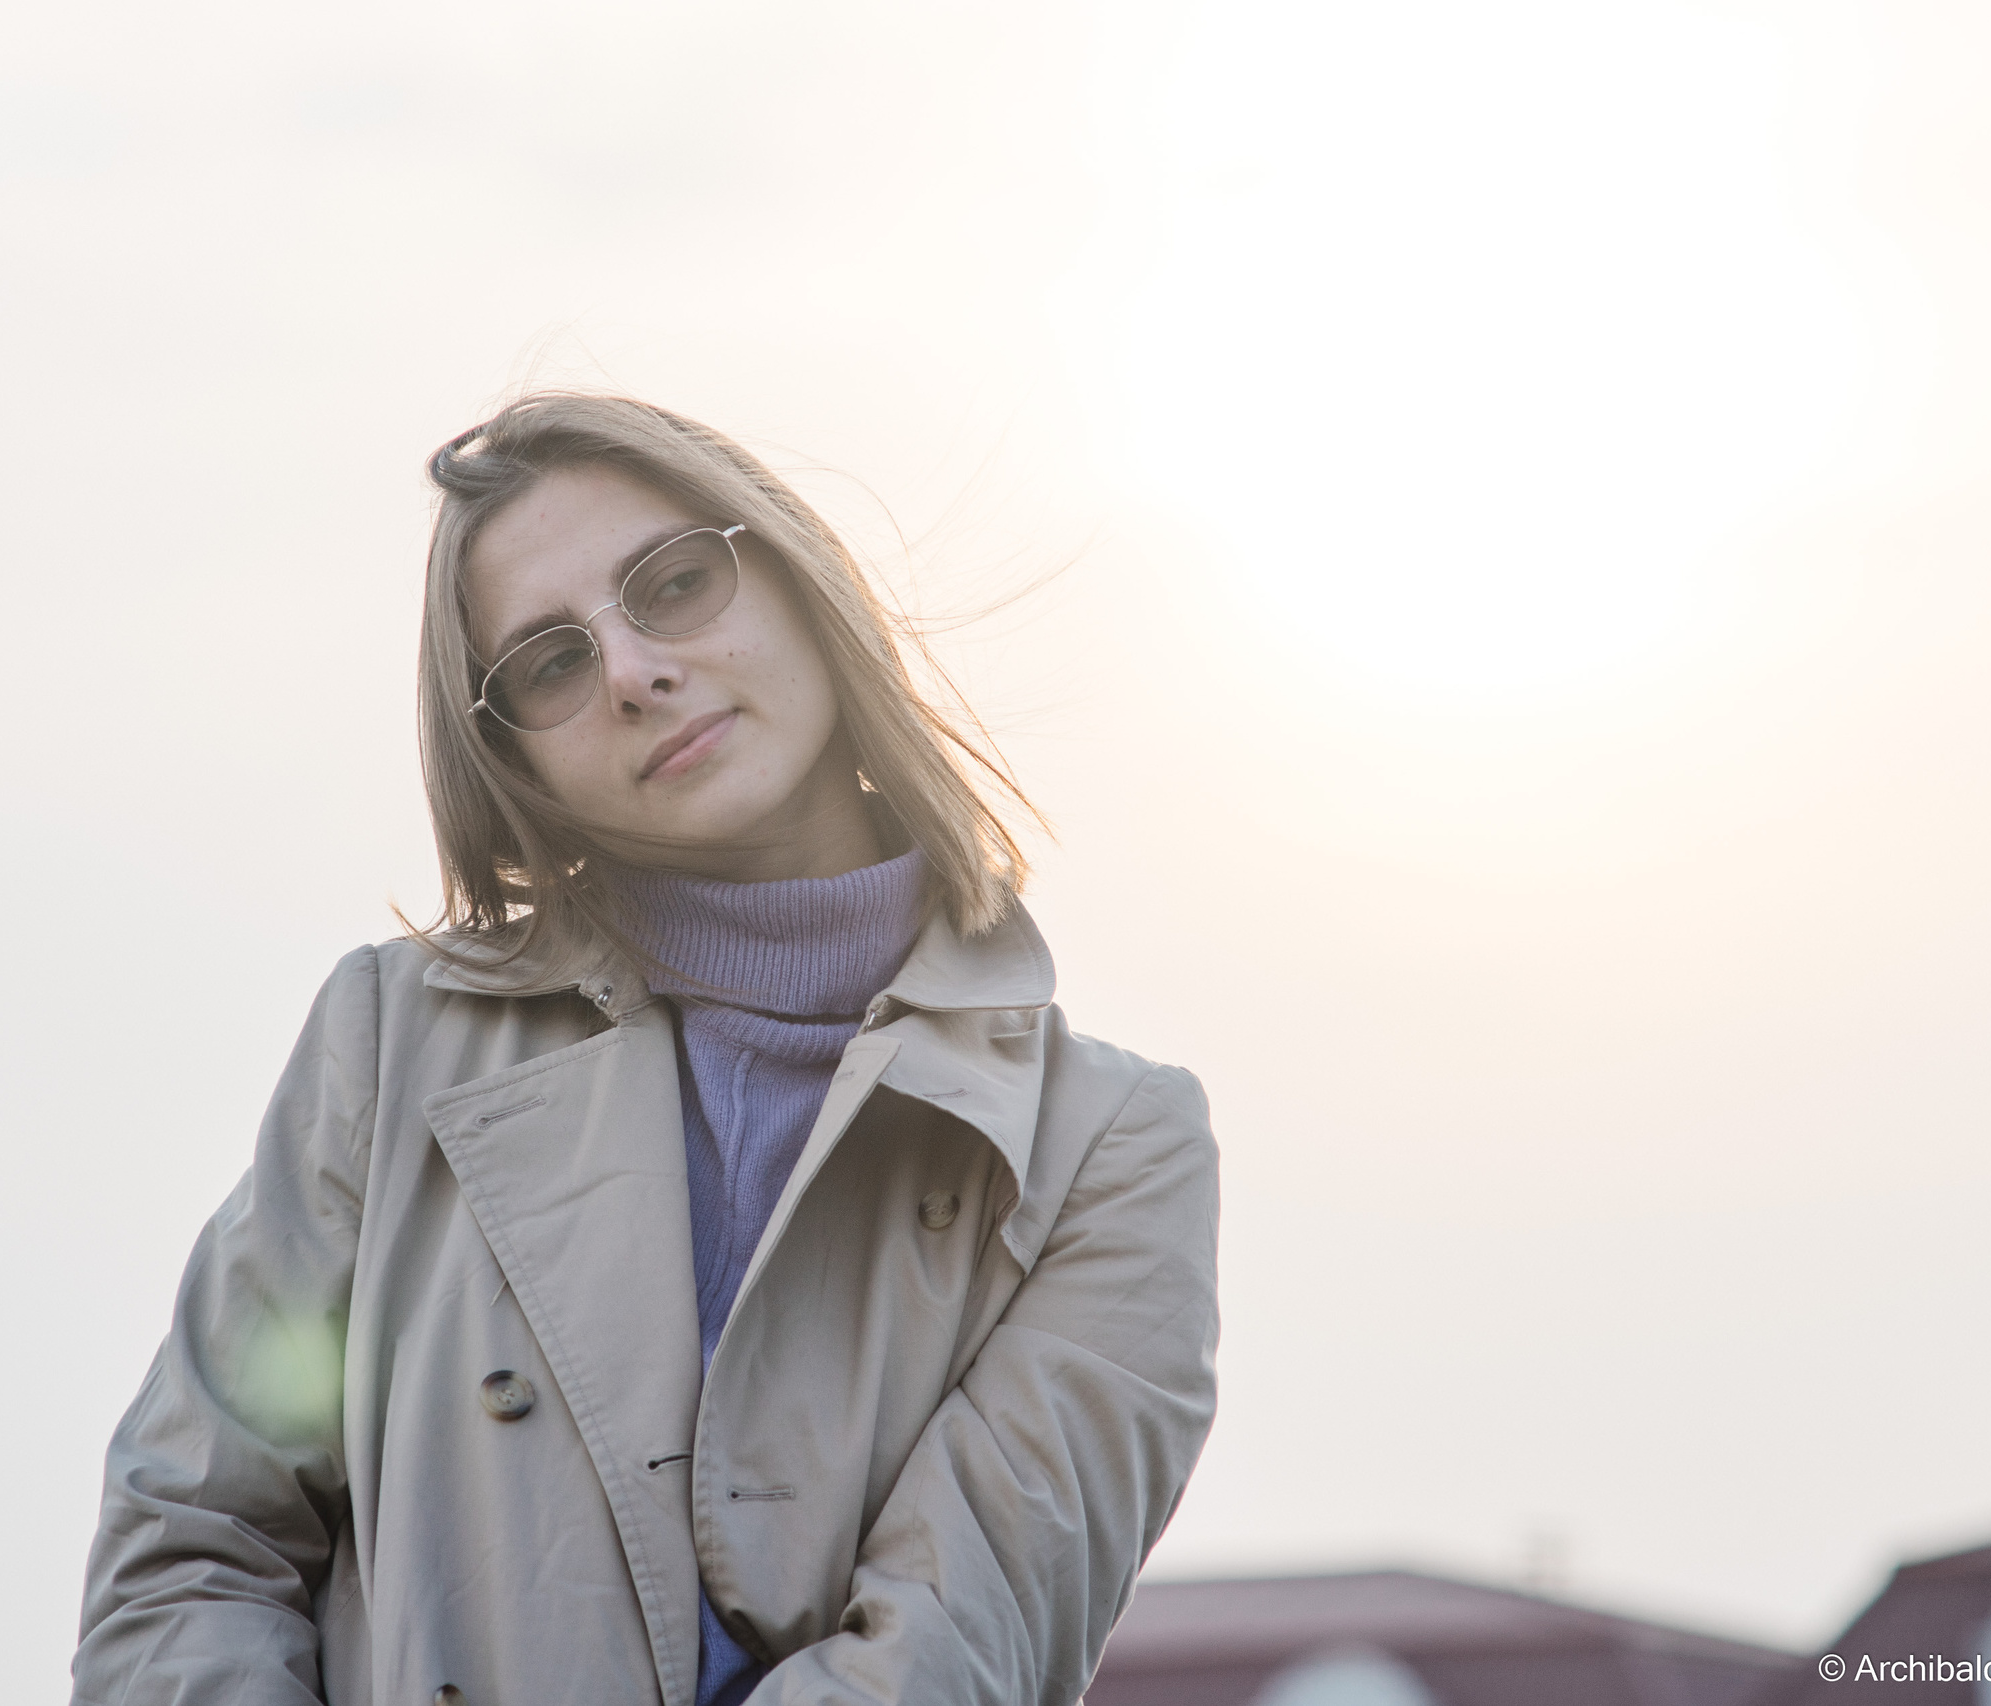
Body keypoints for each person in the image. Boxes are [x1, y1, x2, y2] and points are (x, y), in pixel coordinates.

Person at [72, 393, 1222, 1706]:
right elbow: (194, 1544)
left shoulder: (1105, 1152)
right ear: (514, 764)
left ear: (800, 579)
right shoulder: (394, 1046)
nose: (630, 671)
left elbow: (950, 1654)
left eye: (675, 584)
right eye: (552, 664)